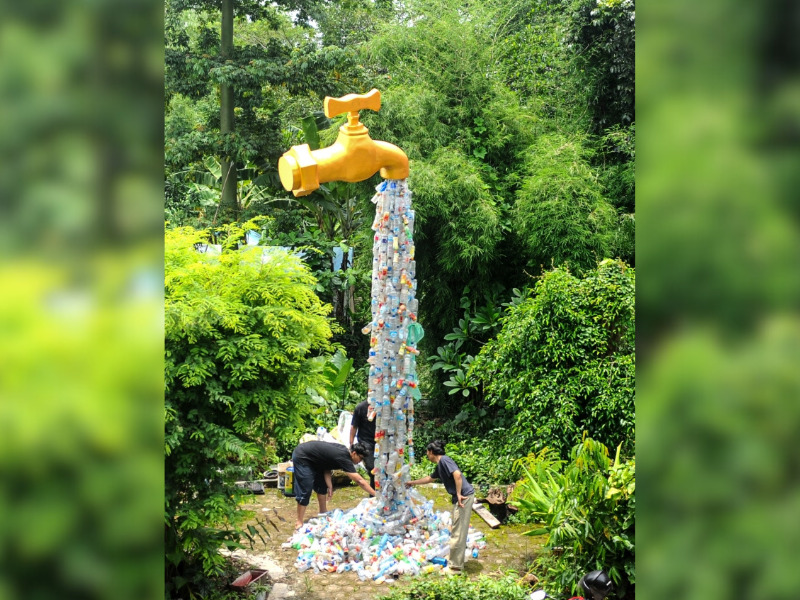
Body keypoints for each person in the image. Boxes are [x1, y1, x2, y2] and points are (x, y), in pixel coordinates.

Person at [406, 440, 475, 574]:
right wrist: (412, 483)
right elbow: (429, 479)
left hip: (464, 497)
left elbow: (457, 475)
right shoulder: (440, 465)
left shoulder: (444, 460)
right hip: (461, 497)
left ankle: (455, 568)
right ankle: (456, 562)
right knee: (457, 530)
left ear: (431, 452)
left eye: (427, 453)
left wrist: (459, 494)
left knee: (458, 532)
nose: (427, 455)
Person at [290, 440, 376, 529]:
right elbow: (359, 481)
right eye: (360, 458)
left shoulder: (344, 452)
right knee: (305, 489)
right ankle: (299, 522)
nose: (360, 461)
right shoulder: (344, 457)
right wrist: (375, 494)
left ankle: (323, 513)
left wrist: (329, 484)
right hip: (302, 456)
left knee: (322, 486)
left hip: (315, 460)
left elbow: (327, 464)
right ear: (354, 453)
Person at [349, 400, 377, 490]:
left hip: (380, 442)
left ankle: (381, 495)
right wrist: (351, 443)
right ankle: (373, 495)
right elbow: (354, 426)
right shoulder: (360, 407)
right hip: (365, 442)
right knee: (372, 469)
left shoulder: (384, 406)